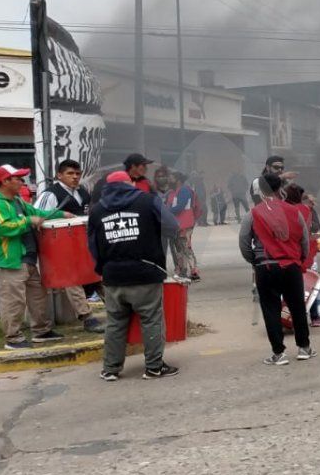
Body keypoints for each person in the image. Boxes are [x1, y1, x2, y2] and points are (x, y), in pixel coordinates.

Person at [88, 170, 180, 381]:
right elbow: (172, 226)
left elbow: (92, 246)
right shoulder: (148, 201)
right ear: (130, 183)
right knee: (151, 320)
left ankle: (110, 369)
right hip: (145, 271)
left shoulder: (97, 210)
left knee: (115, 322)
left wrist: (103, 268)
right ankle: (154, 367)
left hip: (113, 275)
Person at [0, 164, 70, 350]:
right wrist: (28, 221)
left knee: (38, 296)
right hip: (9, 261)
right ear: (5, 181)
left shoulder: (18, 201)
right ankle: (13, 339)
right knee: (13, 301)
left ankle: (41, 331)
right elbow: (3, 227)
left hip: (27, 259)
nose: (22, 182)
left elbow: (37, 213)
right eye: (18, 178)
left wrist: (61, 214)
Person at [240, 173, 316, 365]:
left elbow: (244, 242)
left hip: (265, 267)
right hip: (290, 266)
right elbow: (304, 240)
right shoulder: (293, 211)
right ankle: (304, 348)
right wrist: (299, 259)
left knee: (270, 309)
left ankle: (278, 353)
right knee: (297, 307)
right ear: (278, 188)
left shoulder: (253, 213)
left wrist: (254, 261)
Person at [34, 159, 104, 333]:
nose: (75, 177)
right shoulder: (50, 194)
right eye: (70, 174)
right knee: (72, 281)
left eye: (77, 174)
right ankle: (87, 317)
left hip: (85, 244)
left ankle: (119, 311)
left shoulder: (83, 192)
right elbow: (37, 216)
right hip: (61, 247)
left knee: (99, 276)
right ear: (59, 175)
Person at [283, 184, 320, 327]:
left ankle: (293, 316)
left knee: (294, 286)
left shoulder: (284, 210)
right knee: (309, 285)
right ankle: (313, 316)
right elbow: (314, 227)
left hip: (291, 253)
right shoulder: (306, 209)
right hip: (305, 252)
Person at [166, 171, 200, 281]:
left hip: (185, 224)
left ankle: (194, 272)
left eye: (171, 178)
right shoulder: (173, 192)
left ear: (178, 180)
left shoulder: (184, 190)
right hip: (178, 224)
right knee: (180, 248)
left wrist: (165, 212)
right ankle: (182, 270)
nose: (169, 180)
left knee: (186, 247)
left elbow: (179, 207)